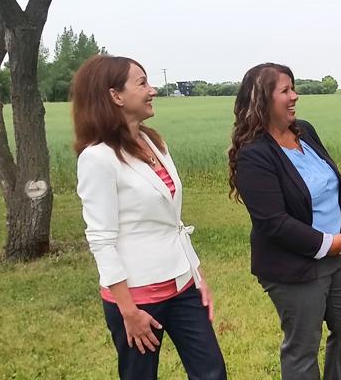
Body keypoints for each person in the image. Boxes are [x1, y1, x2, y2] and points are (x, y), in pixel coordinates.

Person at [72, 55, 226, 380]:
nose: (152, 90)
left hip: (182, 286)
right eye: (142, 83)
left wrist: (197, 278)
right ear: (115, 96)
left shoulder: (153, 141)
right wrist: (128, 311)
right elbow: (101, 239)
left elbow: (173, 222)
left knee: (212, 373)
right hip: (137, 299)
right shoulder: (97, 158)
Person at [228, 63, 341, 380]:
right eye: (285, 91)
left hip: (337, 255)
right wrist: (326, 243)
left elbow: (332, 182)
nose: (294, 96)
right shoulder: (254, 154)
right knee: (303, 347)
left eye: (294, 89)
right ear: (262, 100)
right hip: (293, 266)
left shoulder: (304, 130)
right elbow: (272, 222)